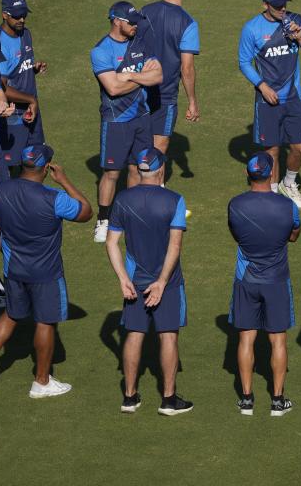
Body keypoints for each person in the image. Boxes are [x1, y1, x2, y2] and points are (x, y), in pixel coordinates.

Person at [0, 144, 92, 397]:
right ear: (46, 168)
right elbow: (86, 212)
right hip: (46, 273)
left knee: (12, 313)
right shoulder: (53, 198)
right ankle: (42, 381)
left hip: (15, 268)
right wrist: (65, 180)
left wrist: (1, 245)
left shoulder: (0, 191)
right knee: (46, 322)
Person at [106, 148, 192, 415]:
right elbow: (174, 247)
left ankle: (129, 397)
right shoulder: (175, 200)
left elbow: (111, 243)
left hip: (135, 282)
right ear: (162, 170)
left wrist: (123, 279)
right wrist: (162, 282)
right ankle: (168, 400)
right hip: (168, 283)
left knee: (134, 335)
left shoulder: (122, 200)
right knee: (168, 336)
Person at [227, 152, 300, 417]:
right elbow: (294, 235)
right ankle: (277, 401)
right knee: (277, 339)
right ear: (271, 174)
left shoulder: (235, 205)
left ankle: (246, 400)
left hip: (246, 279)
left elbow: (236, 235)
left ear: (248, 175)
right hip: (277, 280)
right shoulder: (287, 205)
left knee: (246, 338)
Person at [238, 0, 301, 209]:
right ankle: (272, 193)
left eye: (284, 3)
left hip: (294, 97)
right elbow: (244, 61)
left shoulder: (296, 21)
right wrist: (262, 86)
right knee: (271, 150)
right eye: (276, 5)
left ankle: (289, 184)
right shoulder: (252, 29)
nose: (282, 8)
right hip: (267, 100)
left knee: (300, 147)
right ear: (265, 4)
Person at [90, 1, 163, 242]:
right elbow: (112, 88)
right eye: (131, 22)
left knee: (137, 167)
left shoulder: (140, 40)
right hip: (116, 120)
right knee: (112, 173)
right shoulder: (101, 51)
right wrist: (143, 78)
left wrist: (130, 75)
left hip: (141, 117)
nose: (135, 26)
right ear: (116, 21)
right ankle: (103, 220)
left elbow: (158, 76)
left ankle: (131, 215)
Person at [142, 0, 201, 162]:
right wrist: (192, 101)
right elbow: (187, 68)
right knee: (158, 150)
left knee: (140, 146)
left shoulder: (145, 12)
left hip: (138, 90)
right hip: (165, 96)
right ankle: (156, 188)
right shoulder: (188, 23)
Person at [0, 0, 47, 177]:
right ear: (4, 15)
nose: (22, 19)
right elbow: (0, 87)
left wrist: (32, 68)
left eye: (24, 15)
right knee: (10, 165)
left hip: (31, 110)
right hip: (13, 113)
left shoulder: (26, 34)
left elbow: (16, 68)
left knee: (37, 159)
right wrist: (30, 99)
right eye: (17, 16)